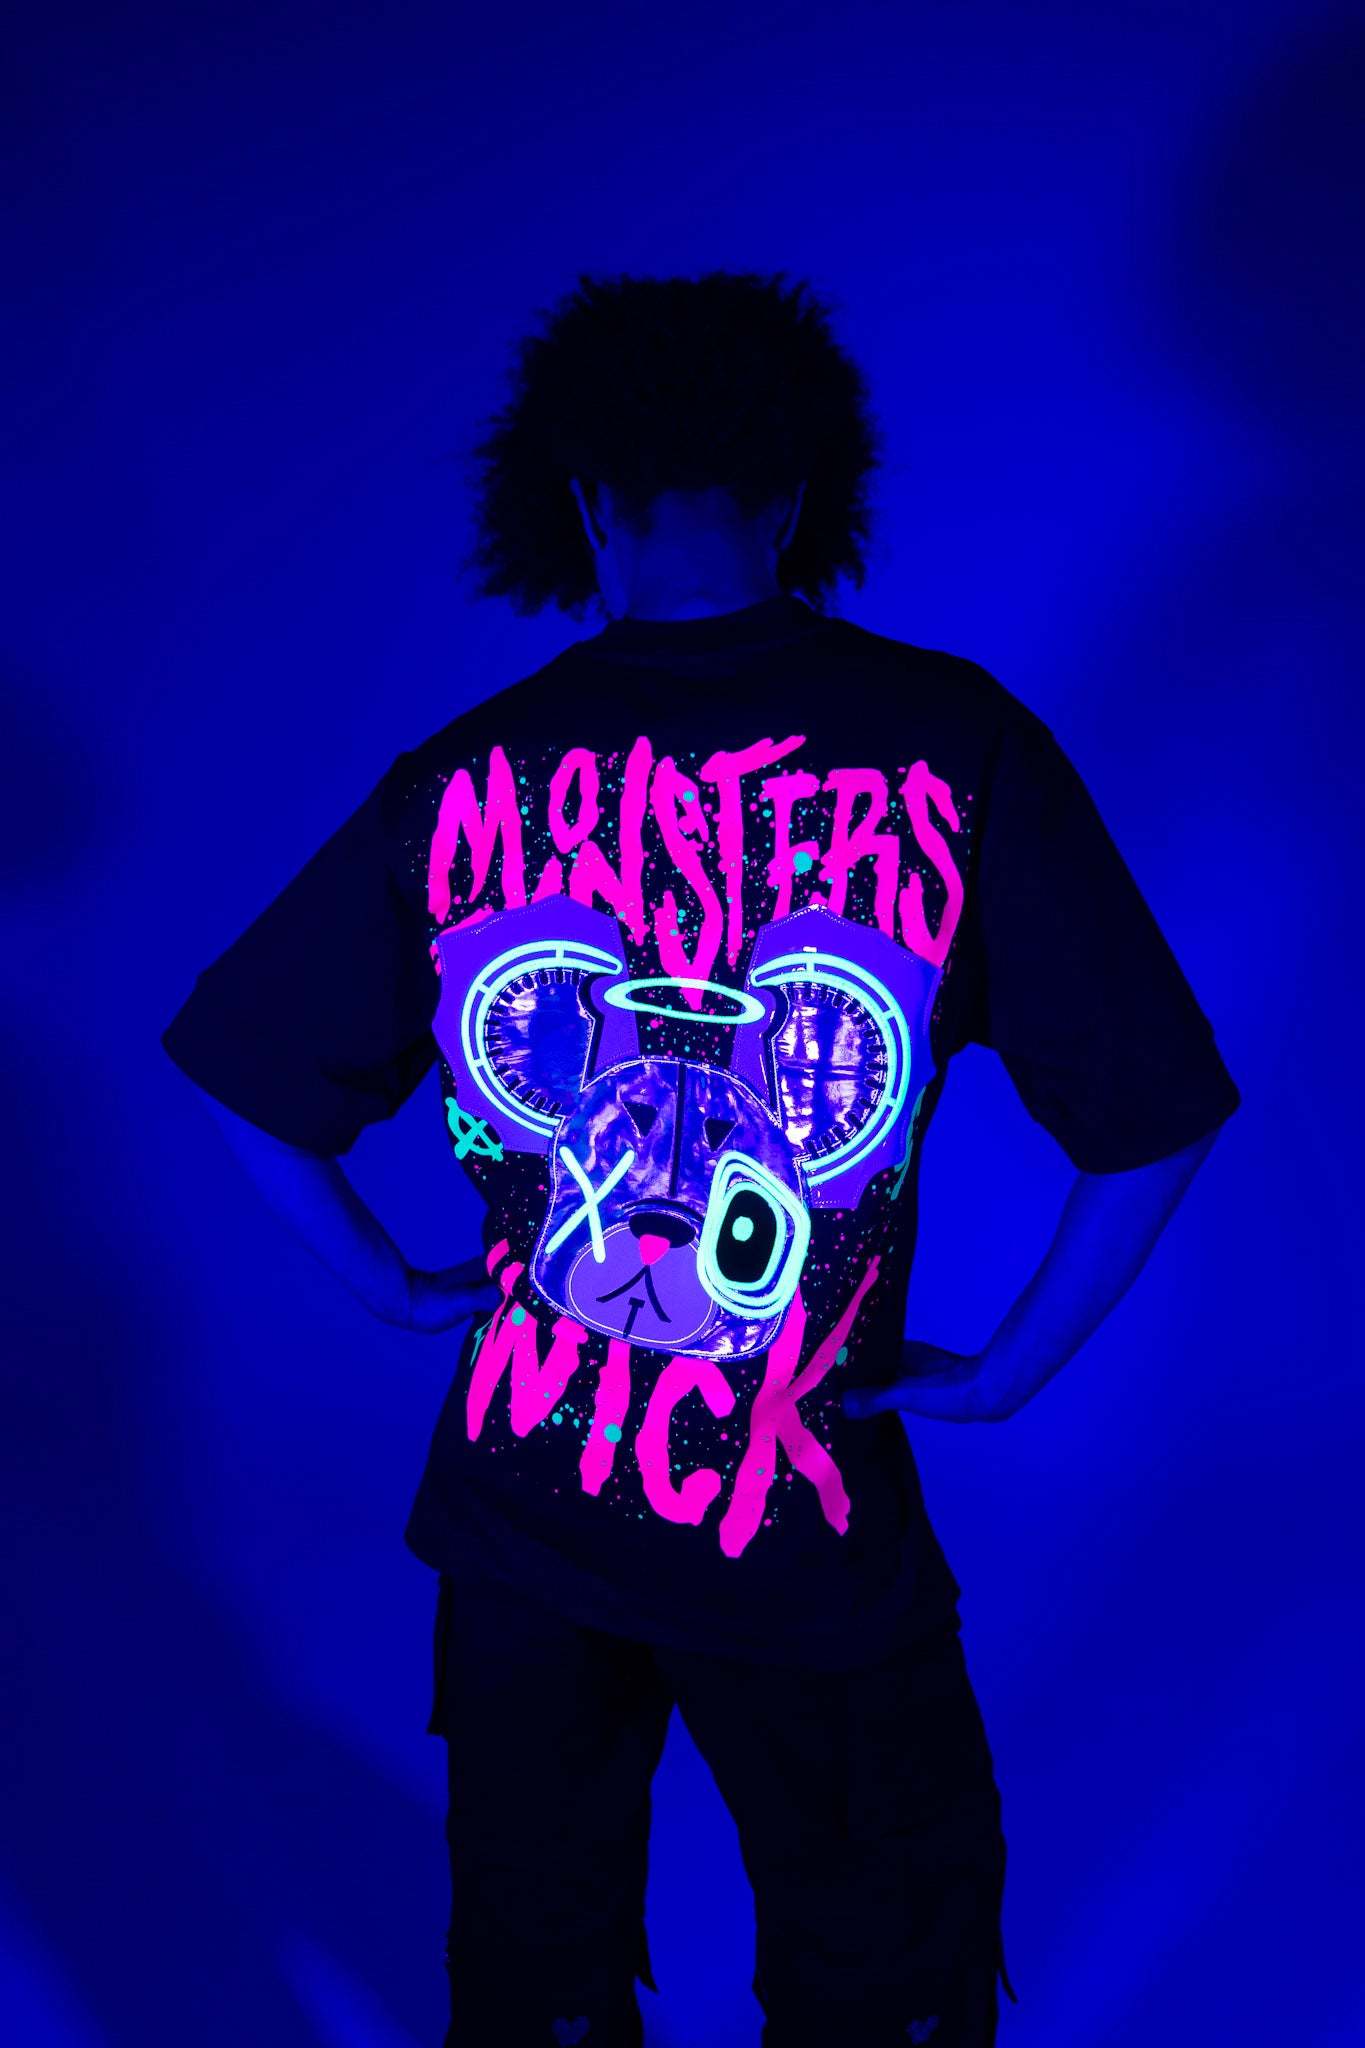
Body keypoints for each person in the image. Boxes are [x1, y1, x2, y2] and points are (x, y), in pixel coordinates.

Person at [160, 269, 1242, 2048]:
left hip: (523, 1519)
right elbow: (1156, 1112)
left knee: (536, 1987)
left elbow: (248, 1077)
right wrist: (1005, 1373)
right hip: (808, 1528)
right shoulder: (955, 746)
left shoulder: (467, 775)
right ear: (800, 494)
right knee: (881, 1982)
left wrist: (396, 1291)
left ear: (582, 501)